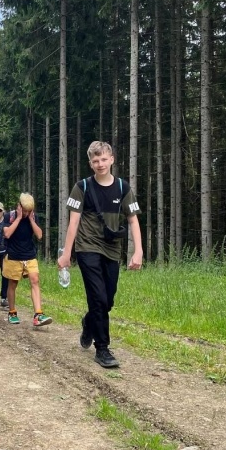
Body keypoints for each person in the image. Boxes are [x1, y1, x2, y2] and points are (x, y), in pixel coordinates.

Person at [58, 141, 143, 368]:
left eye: (104, 159)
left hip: (112, 250)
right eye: (95, 160)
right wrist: (66, 254)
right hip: (87, 248)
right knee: (98, 298)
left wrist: (138, 251)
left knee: (108, 300)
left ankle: (89, 322)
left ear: (112, 159)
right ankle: (102, 348)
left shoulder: (123, 187)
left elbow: (133, 220)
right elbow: (73, 223)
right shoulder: (82, 187)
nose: (100, 164)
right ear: (90, 163)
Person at [3, 193, 52, 327]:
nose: (26, 213)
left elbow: (39, 235)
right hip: (13, 255)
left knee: (35, 281)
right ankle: (12, 312)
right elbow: (7, 234)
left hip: (30, 254)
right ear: (19, 206)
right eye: (24, 210)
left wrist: (31, 220)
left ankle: (38, 314)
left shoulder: (33, 217)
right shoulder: (9, 216)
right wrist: (18, 218)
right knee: (13, 284)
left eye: (29, 211)